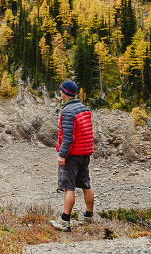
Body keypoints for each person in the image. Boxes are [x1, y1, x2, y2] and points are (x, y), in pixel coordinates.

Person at [50, 79, 94, 232]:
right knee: (85, 184)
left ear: (66, 93)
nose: (60, 92)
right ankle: (89, 217)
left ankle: (64, 221)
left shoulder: (68, 111)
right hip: (85, 153)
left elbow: (68, 138)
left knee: (69, 187)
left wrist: (62, 155)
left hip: (72, 155)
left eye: (61, 90)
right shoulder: (84, 108)